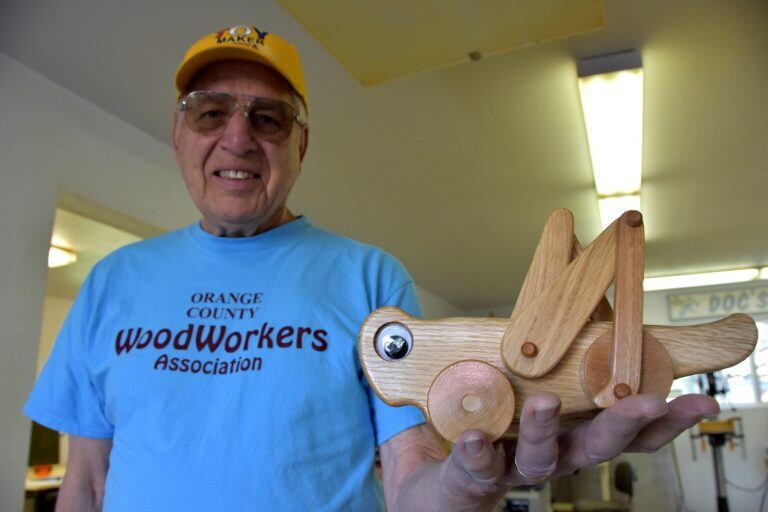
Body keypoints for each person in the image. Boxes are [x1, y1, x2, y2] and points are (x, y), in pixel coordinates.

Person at [24, 24, 719, 511]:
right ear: (178, 133)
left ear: (302, 144)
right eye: (210, 112)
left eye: (268, 118)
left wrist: (468, 485)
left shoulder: (369, 279)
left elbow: (416, 483)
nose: (237, 136)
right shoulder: (111, 282)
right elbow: (85, 485)